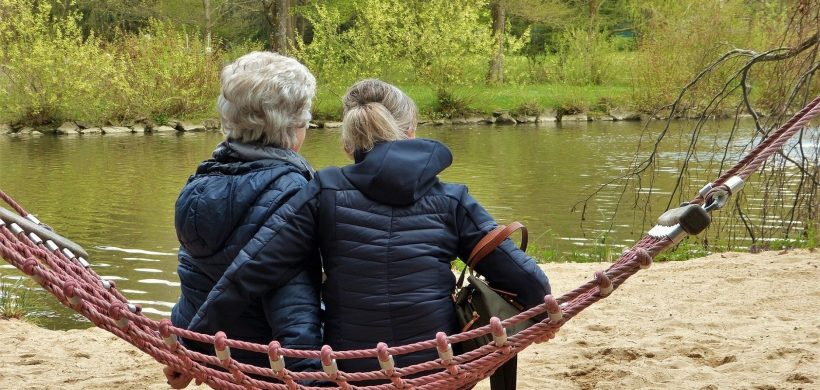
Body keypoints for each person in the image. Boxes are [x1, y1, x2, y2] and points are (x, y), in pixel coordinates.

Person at [188, 79, 550, 384]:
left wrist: (191, 345)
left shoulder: (322, 190)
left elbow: (252, 270)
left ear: (349, 144)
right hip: (438, 372)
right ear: (411, 132)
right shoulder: (453, 199)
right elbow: (528, 282)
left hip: (354, 374)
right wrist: (544, 315)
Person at [167, 51, 322, 387]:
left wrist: (185, 349)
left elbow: (195, 282)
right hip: (266, 366)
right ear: (293, 126)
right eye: (305, 119)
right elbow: (295, 311)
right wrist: (310, 379)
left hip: (212, 355)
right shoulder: (295, 193)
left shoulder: (198, 185)